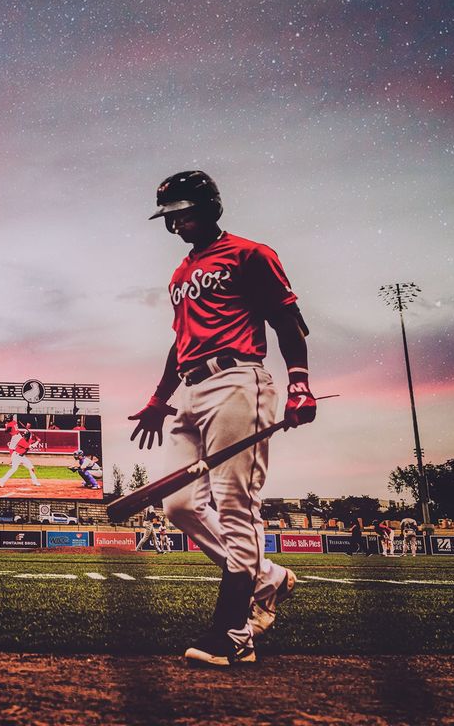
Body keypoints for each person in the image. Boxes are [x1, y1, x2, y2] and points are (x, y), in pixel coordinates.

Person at [128, 170, 317, 667]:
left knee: (237, 506)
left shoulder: (251, 253)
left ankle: (235, 634)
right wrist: (158, 398)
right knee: (180, 506)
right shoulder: (180, 274)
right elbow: (180, 343)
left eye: (183, 212)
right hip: (191, 389)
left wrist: (299, 381)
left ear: (210, 206)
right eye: (169, 217)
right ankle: (268, 577)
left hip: (238, 380)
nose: (176, 224)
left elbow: (287, 319)